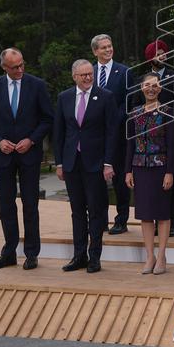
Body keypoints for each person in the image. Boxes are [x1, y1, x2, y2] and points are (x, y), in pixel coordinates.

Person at [0, 48, 53, 271]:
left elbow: (47, 119)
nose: (20, 69)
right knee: (5, 206)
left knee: (30, 205)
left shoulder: (37, 85)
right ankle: (9, 252)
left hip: (29, 155)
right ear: (4, 67)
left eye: (22, 64)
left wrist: (31, 140)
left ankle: (31, 254)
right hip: (3, 156)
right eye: (15, 67)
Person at [53, 59, 119, 274]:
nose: (88, 77)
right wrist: (60, 163)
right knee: (77, 211)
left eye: (90, 74)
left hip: (96, 164)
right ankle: (79, 255)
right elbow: (59, 133)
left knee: (97, 210)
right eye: (83, 75)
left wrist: (108, 163)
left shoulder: (106, 97)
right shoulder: (64, 98)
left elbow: (112, 132)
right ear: (74, 77)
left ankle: (95, 256)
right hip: (72, 162)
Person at [134, 39, 174, 239]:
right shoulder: (141, 80)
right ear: (150, 57)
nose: (163, 55)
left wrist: (168, 120)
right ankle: (153, 219)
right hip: (146, 141)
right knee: (149, 184)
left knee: (170, 178)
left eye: (164, 52)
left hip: (170, 135)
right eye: (158, 52)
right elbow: (135, 107)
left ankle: (171, 221)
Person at [125, 72, 174, 275]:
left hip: (161, 168)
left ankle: (162, 255)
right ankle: (150, 256)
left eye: (155, 85)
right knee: (145, 215)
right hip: (140, 168)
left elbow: (173, 146)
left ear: (161, 88)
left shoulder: (167, 112)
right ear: (141, 88)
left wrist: (170, 172)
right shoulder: (134, 113)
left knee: (163, 214)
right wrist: (128, 170)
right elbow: (129, 145)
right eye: (147, 85)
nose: (151, 89)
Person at [89, 34, 133, 236]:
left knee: (119, 179)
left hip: (118, 134)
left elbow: (129, 102)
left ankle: (121, 220)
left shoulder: (124, 72)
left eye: (110, 46)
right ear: (95, 51)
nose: (108, 50)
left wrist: (115, 120)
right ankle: (99, 220)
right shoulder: (89, 72)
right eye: (104, 47)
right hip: (94, 135)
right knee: (97, 180)